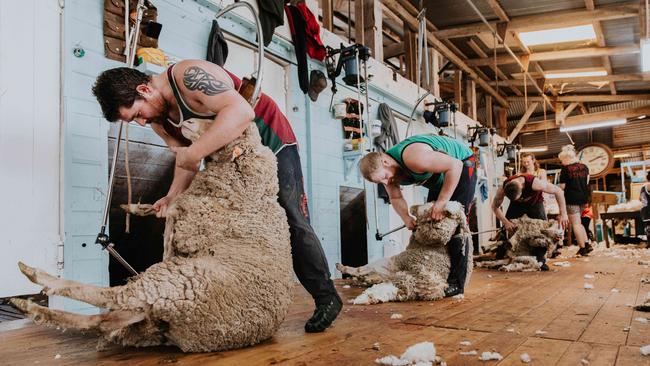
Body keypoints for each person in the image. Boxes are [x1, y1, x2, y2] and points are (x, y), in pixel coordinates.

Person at [92, 60, 341, 333]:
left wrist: (196, 152)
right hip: (227, 154)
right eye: (134, 121)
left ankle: (326, 297)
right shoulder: (158, 120)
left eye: (138, 114)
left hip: (269, 139)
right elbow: (184, 160)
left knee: (292, 216)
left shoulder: (189, 77)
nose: (142, 122)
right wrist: (173, 195)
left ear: (144, 89)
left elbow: (241, 112)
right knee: (231, 229)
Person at [358, 134, 477, 297]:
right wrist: (406, 217)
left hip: (462, 165)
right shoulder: (389, 176)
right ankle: (440, 274)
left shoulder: (414, 157)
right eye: (381, 182)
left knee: (455, 226)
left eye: (385, 177)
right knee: (432, 223)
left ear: (385, 162)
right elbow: (395, 197)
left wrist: (442, 202)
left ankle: (457, 284)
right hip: (440, 176)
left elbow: (454, 165)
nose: (386, 183)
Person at [492, 173, 569, 270]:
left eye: (520, 197)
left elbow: (558, 191)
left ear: (522, 187)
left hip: (535, 203)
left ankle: (540, 261)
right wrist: (506, 222)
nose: (521, 199)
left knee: (541, 232)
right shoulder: (502, 188)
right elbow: (494, 207)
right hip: (516, 206)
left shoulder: (535, 183)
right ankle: (499, 257)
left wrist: (563, 213)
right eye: (518, 198)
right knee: (506, 229)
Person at [558, 145, 593, 256]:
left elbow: (562, 187)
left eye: (562, 160)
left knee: (576, 224)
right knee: (580, 223)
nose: (562, 162)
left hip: (571, 199)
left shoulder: (565, 169)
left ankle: (582, 248)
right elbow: (587, 182)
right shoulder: (584, 167)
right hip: (584, 198)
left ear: (566, 158)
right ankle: (587, 244)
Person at [640, 171, 650, 248]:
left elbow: (640, 199)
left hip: (645, 210)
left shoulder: (643, 187)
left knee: (648, 227)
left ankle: (649, 243)